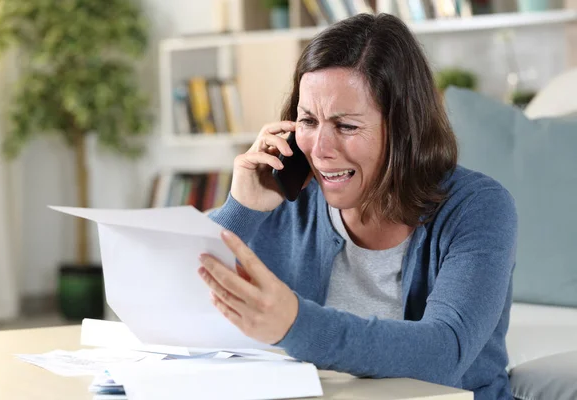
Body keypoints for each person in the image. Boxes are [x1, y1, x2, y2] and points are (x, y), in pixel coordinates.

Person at [198, 13, 517, 400]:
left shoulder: (478, 207)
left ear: (403, 129)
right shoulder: (286, 198)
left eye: (346, 126)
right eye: (308, 121)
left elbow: (443, 353)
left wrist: (295, 324)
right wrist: (242, 207)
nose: (319, 150)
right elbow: (182, 305)